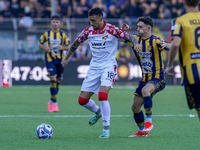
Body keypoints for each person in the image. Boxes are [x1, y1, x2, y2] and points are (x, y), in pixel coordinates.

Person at [61, 7, 141, 138]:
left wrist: (136, 43)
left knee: (102, 95)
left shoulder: (112, 29)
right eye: (90, 21)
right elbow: (75, 43)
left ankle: (106, 129)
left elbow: (129, 37)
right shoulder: (88, 31)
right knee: (82, 100)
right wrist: (66, 58)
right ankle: (98, 112)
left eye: (93, 21)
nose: (91, 23)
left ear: (101, 19)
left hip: (109, 66)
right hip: (94, 68)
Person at [122, 16, 170, 137]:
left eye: (140, 27)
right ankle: (142, 131)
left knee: (145, 90)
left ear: (148, 28)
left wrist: (166, 45)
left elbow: (172, 46)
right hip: (144, 79)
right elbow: (120, 36)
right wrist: (123, 31)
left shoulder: (155, 41)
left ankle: (149, 121)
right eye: (137, 26)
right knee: (135, 107)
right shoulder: (135, 40)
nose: (138, 29)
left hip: (158, 78)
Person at [165, 0, 200, 120]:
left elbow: (175, 44)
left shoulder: (180, 21)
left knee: (199, 107)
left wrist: (170, 65)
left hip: (193, 71)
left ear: (184, 2)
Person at [39, 15, 70, 112]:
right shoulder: (46, 34)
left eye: (57, 22)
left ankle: (51, 101)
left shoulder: (63, 35)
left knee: (58, 80)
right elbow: (40, 44)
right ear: (51, 23)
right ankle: (55, 102)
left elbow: (69, 46)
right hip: (50, 59)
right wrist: (45, 48)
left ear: (59, 23)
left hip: (60, 60)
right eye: (54, 22)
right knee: (53, 78)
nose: (55, 24)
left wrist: (63, 48)